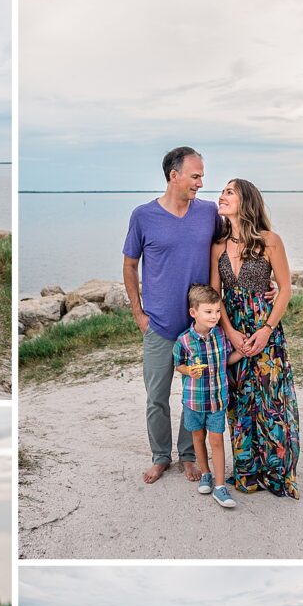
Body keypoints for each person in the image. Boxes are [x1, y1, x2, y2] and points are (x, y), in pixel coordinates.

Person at [123, 147, 221, 485]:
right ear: (173, 175)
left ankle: (189, 456)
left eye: (202, 176)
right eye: (195, 176)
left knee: (194, 398)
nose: (201, 182)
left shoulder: (209, 213)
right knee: (157, 398)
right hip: (159, 326)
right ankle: (161, 457)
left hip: (198, 329)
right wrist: (139, 313)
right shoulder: (143, 216)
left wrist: (266, 277)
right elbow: (130, 264)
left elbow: (235, 244)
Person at [210, 179, 300, 498]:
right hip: (233, 328)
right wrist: (231, 333)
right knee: (240, 399)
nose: (221, 195)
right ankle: (247, 471)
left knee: (271, 399)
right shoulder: (218, 245)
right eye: (222, 191)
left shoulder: (270, 241)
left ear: (246, 200)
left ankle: (276, 472)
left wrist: (266, 330)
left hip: (265, 331)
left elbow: (285, 288)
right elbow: (214, 293)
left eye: (229, 192)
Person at [173, 284, 243, 509]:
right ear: (194, 313)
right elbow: (178, 365)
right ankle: (205, 473)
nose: (215, 316)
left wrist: (240, 353)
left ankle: (220, 486)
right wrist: (188, 370)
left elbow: (226, 361)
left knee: (216, 440)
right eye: (209, 312)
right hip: (194, 400)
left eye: (217, 311)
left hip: (217, 400)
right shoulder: (184, 340)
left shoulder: (221, 335)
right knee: (197, 438)